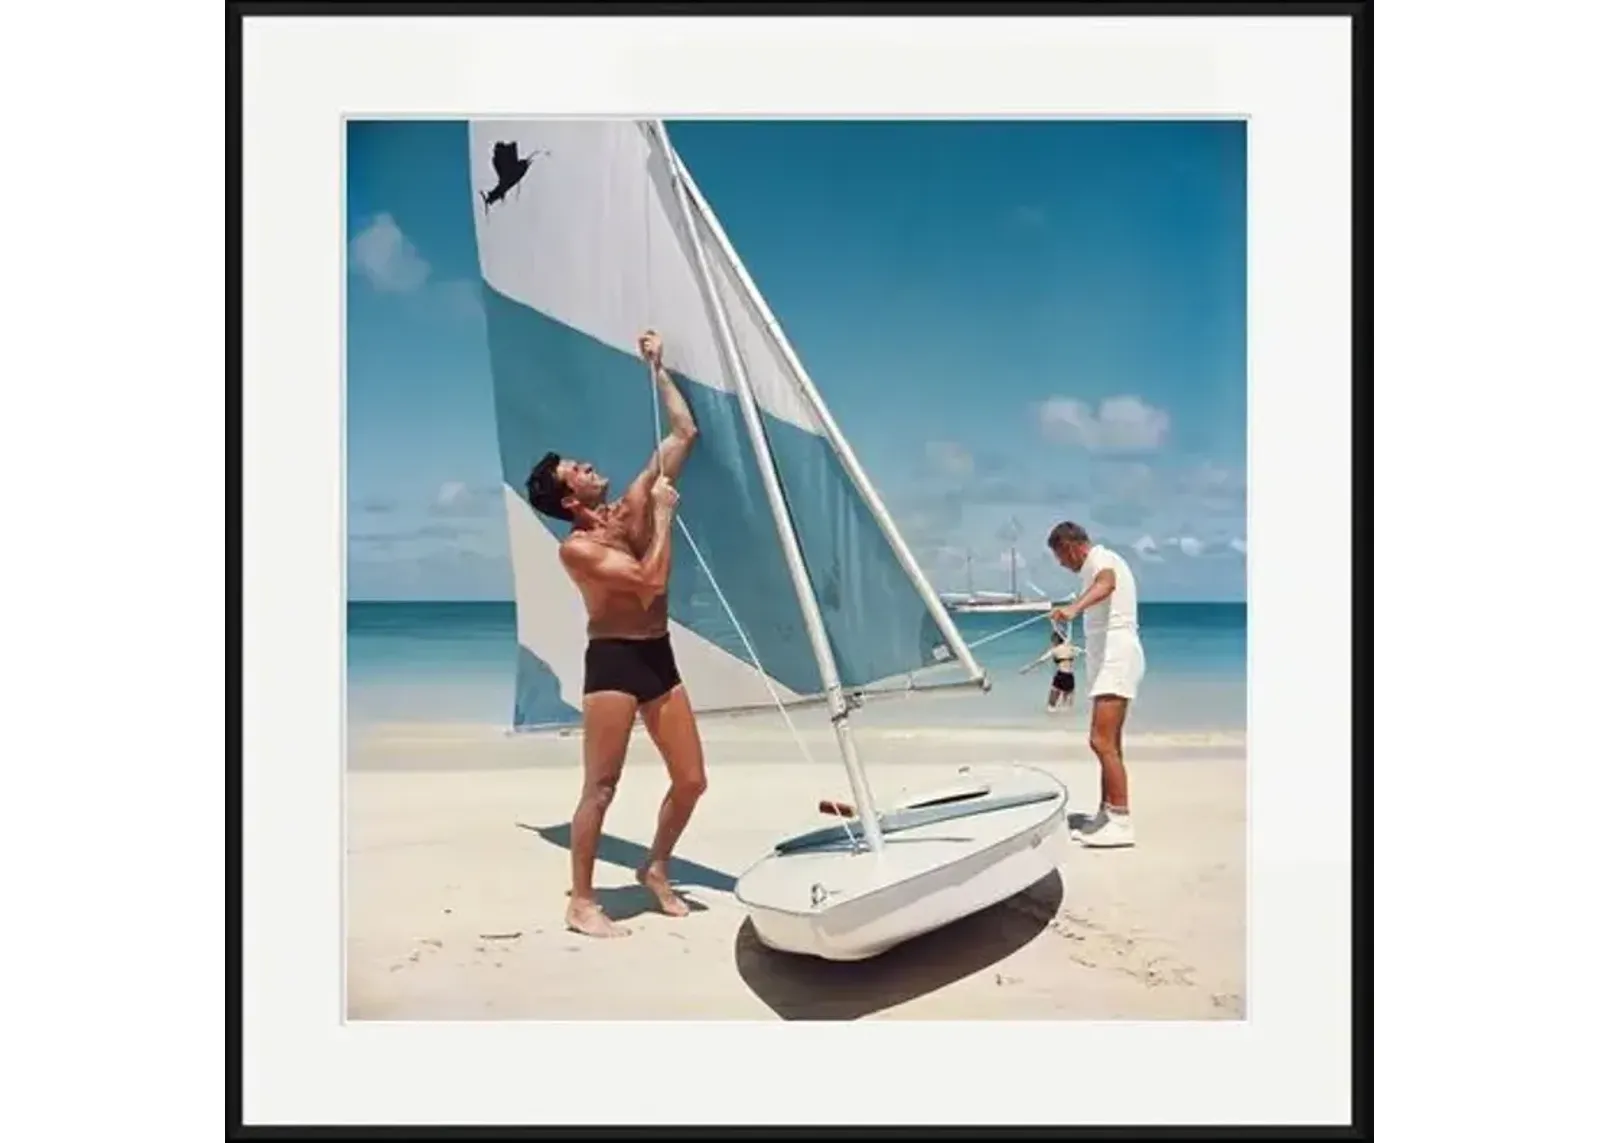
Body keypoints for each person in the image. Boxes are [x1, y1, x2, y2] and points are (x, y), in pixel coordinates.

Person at [524, 329, 705, 938]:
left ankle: (653, 868)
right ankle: (581, 901)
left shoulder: (626, 509)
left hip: (658, 656)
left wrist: (657, 368)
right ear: (567, 498)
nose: (587, 464)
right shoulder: (578, 550)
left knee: (692, 780)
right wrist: (665, 516)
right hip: (612, 667)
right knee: (601, 787)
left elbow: (684, 435)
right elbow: (650, 583)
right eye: (575, 469)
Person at [1047, 522, 1146, 848]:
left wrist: (1074, 608)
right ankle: (1107, 814)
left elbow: (1107, 584)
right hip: (1111, 660)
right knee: (1110, 743)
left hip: (1118, 658)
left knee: (1100, 740)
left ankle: (1120, 819)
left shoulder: (1101, 561)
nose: (1061, 564)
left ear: (1071, 546)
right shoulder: (1094, 565)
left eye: (1061, 556)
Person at [1020, 629, 1082, 712]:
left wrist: (1027, 668)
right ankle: (1066, 723)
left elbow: (1041, 661)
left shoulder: (1054, 650)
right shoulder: (1072, 648)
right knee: (1067, 707)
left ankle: (1051, 721)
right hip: (1070, 677)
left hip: (1060, 676)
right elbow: (1084, 652)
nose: (1052, 641)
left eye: (1052, 639)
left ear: (1056, 639)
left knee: (1051, 706)